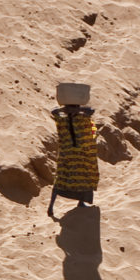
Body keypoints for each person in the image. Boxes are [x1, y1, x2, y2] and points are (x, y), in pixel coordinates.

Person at [47, 83, 98, 219]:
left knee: (66, 178)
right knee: (65, 178)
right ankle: (52, 206)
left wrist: (73, 110)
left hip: (73, 154)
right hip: (73, 154)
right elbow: (54, 111)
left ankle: (75, 202)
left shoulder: (77, 116)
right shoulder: (66, 117)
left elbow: (90, 111)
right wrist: (67, 109)